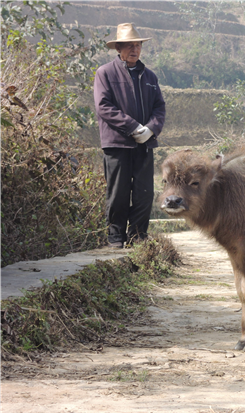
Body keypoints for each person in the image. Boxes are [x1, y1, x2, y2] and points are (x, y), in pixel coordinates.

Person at [94, 23, 166, 249]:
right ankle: (116, 239)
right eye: (129, 46)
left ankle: (137, 239)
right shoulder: (105, 73)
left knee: (145, 193)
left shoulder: (150, 76)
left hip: (144, 145)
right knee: (118, 193)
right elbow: (103, 106)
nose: (134, 50)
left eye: (137, 45)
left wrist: (151, 129)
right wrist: (133, 127)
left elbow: (159, 108)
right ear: (118, 48)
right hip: (117, 144)